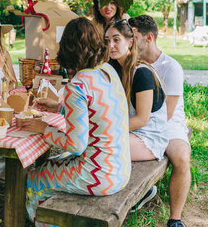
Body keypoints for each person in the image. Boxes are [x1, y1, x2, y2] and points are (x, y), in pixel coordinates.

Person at [22, 17, 131, 225]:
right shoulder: (108, 71)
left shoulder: (78, 85)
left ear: (67, 50)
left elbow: (76, 144)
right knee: (55, 162)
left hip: (100, 176)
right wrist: (59, 107)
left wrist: (44, 128)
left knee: (34, 178)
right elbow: (96, 110)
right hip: (120, 168)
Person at [129, 15, 191, 227]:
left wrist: (140, 127)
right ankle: (144, 190)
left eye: (133, 36)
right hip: (138, 118)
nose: (129, 41)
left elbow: (168, 113)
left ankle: (175, 218)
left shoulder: (170, 66)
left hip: (167, 122)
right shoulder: (130, 63)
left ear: (148, 38)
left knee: (182, 157)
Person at [104, 18, 169, 212]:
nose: (111, 45)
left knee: (101, 146)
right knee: (93, 143)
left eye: (116, 40)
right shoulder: (117, 69)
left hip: (149, 137)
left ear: (130, 42)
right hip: (132, 133)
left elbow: (142, 119)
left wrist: (108, 128)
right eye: (107, 41)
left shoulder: (141, 73)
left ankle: (140, 192)